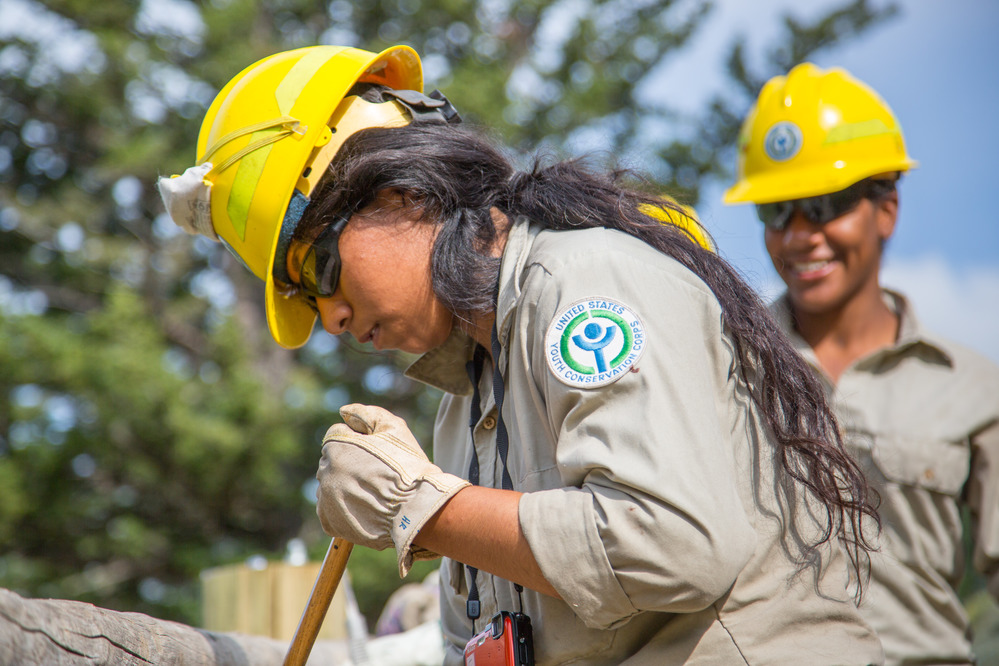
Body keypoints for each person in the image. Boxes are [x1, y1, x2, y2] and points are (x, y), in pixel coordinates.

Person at [159, 46, 886, 664]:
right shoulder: (461, 409)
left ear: (401, 192)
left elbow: (672, 546)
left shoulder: (583, 284)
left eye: (317, 271)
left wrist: (419, 506)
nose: (330, 317)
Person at [724, 62, 999, 665]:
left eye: (824, 205)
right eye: (777, 211)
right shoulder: (726, 365)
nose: (800, 236)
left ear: (887, 209)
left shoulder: (976, 392)